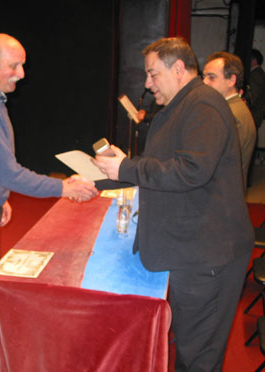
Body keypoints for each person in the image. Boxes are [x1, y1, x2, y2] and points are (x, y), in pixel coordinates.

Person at [0, 33, 98, 372]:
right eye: (15, 65)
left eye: (22, 64)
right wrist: (62, 188)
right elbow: (8, 170)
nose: (22, 73)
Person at [92, 37, 254, 372]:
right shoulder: (186, 105)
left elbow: (190, 170)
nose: (148, 84)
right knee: (189, 345)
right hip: (194, 250)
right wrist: (95, 180)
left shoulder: (203, 106)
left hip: (208, 257)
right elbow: (163, 167)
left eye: (153, 74)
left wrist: (126, 167)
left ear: (178, 69)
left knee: (198, 357)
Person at [203, 51, 256, 190]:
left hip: (222, 196)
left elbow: (215, 165)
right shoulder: (231, 109)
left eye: (211, 77)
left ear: (231, 81)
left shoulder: (230, 114)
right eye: (204, 77)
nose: (204, 82)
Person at [248, 48, 265, 129]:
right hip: (257, 116)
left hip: (252, 116)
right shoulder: (261, 74)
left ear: (254, 60)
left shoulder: (255, 76)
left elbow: (252, 98)